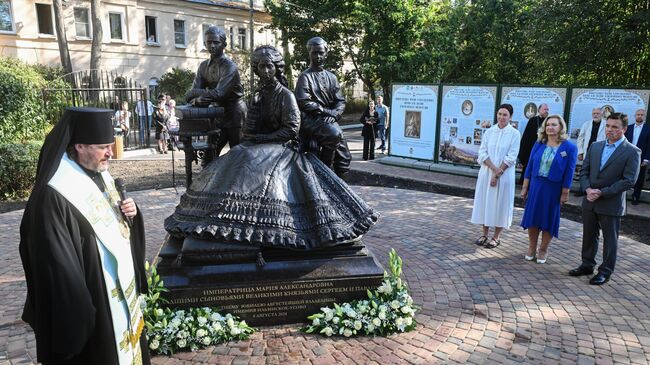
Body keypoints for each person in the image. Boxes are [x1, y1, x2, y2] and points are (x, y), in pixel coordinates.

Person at [165, 45, 378, 250]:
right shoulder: (258, 96)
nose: (266, 71)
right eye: (261, 67)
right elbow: (248, 131)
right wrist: (255, 111)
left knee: (252, 159)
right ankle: (219, 212)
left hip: (283, 148)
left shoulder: (285, 94)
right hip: (261, 145)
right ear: (256, 70)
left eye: (270, 66)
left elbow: (291, 130)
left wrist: (262, 138)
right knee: (237, 153)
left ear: (277, 68)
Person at [19, 107, 149, 365]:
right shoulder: (55, 193)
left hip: (119, 295)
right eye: (103, 147)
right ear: (79, 146)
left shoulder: (98, 172)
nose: (111, 153)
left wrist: (132, 215)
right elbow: (58, 267)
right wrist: (81, 317)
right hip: (95, 304)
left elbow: (116, 228)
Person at [569, 112, 641, 285]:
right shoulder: (595, 146)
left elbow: (629, 180)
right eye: (607, 126)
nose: (610, 130)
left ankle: (605, 271)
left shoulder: (632, 151)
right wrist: (587, 189)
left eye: (615, 127)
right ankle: (587, 264)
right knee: (589, 235)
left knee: (610, 239)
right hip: (590, 199)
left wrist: (603, 192)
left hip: (610, 202)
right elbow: (584, 171)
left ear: (624, 129)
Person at [520, 115, 577, 263]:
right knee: (533, 218)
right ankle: (532, 247)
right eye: (548, 125)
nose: (550, 127)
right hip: (536, 186)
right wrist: (525, 187)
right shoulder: (539, 143)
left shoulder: (569, 147)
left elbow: (569, 172)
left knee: (548, 219)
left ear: (560, 127)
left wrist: (565, 192)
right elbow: (530, 166)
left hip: (554, 189)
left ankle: (543, 249)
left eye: (554, 125)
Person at [186, 25, 246, 162]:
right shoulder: (203, 66)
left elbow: (220, 93)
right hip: (217, 115)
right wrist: (196, 100)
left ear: (224, 44)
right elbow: (190, 96)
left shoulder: (229, 66)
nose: (212, 46)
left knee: (237, 156)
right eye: (209, 42)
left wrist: (197, 94)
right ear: (204, 43)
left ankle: (235, 183)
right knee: (209, 156)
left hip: (235, 114)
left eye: (216, 42)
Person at [295, 37, 351, 177]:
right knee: (333, 134)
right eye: (315, 53)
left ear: (326, 53)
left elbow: (340, 101)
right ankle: (325, 174)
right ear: (309, 53)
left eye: (321, 53)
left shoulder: (332, 77)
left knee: (345, 157)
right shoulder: (305, 77)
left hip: (329, 119)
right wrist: (327, 112)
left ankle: (341, 188)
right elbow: (303, 101)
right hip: (311, 119)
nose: (318, 56)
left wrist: (335, 114)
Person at [471, 104, 521, 248]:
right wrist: (494, 170)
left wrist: (499, 173)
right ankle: (484, 233)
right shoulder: (489, 132)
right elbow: (482, 153)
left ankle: (496, 236)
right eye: (499, 114)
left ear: (510, 117)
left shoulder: (514, 134)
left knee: (501, 203)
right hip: (487, 172)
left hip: (504, 175)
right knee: (485, 201)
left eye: (505, 115)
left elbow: (512, 156)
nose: (501, 117)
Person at [518, 103, 549, 185]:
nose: (546, 111)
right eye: (545, 109)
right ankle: (525, 184)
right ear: (539, 110)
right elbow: (526, 137)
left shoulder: (548, 121)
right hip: (531, 148)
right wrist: (522, 153)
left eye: (547, 110)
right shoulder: (533, 120)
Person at [624, 109, 649, 205]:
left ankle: (635, 196)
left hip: (641, 158)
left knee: (639, 177)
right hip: (627, 155)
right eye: (638, 114)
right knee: (624, 175)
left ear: (644, 117)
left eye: (642, 115)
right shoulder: (628, 128)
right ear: (635, 116)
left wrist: (646, 159)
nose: (640, 116)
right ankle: (623, 194)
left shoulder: (648, 129)